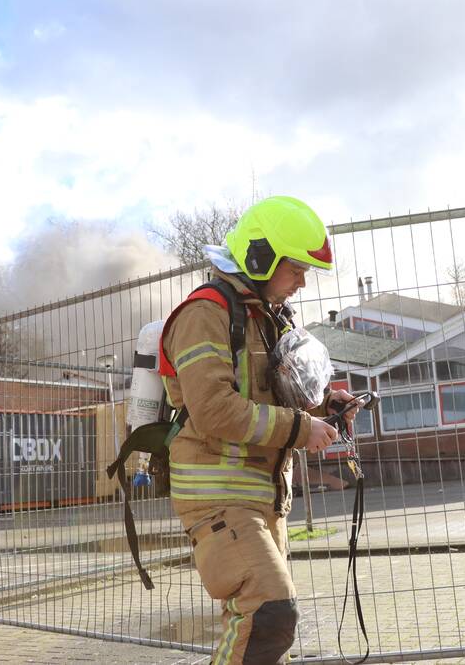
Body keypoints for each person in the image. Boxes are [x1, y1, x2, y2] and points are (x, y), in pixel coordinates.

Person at [159, 196, 356, 664]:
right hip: (217, 496)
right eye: (296, 269)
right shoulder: (203, 315)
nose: (302, 282)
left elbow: (278, 390)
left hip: (262, 498)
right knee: (269, 612)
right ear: (260, 257)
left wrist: (326, 405)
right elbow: (214, 410)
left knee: (264, 633)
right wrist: (301, 428)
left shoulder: (268, 317)